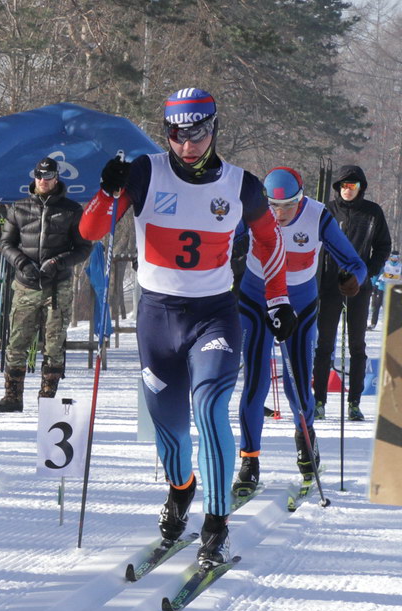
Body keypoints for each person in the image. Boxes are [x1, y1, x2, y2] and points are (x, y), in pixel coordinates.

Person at [78, 89, 295, 567]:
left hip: (214, 314)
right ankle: (181, 490)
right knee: (170, 429)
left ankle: (216, 524)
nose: (187, 143)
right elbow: (91, 232)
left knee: (209, 405)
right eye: (177, 133)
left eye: (196, 132)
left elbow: (269, 240)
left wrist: (277, 297)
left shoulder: (242, 185)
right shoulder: (143, 172)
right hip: (157, 317)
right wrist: (107, 191)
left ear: (213, 128)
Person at [235, 167, 365, 498]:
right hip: (257, 300)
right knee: (255, 382)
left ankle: (306, 446)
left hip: (300, 306)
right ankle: (249, 461)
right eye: (273, 207)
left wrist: (353, 280)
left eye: (288, 206)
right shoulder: (251, 211)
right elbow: (215, 241)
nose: (279, 215)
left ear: (301, 198)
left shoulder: (317, 215)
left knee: (297, 387)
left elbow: (355, 263)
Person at [0, 156, 91, 412]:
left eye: (47, 177)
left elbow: (83, 248)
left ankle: (48, 399)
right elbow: (5, 243)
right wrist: (22, 263)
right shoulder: (18, 208)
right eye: (39, 176)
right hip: (26, 284)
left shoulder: (71, 210)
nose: (42, 181)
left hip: (57, 286)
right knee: (17, 342)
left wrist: (58, 262)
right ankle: (12, 396)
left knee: (54, 344)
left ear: (56, 178)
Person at [312, 165, 393, 422]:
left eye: (353, 186)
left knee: (357, 345)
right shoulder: (326, 211)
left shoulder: (372, 212)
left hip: (359, 288)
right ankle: (319, 400)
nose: (348, 190)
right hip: (329, 287)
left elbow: (383, 246)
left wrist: (367, 273)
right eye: (344, 186)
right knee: (324, 345)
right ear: (338, 187)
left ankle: (354, 402)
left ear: (361, 188)